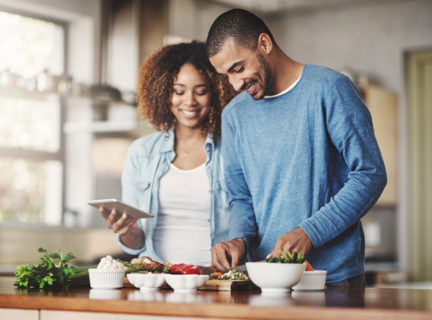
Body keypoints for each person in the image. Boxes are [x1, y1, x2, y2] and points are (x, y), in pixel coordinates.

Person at [205, 9, 387, 286]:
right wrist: (239, 239)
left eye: (238, 68)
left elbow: (370, 174)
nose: (234, 84)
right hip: (264, 279)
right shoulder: (233, 115)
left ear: (264, 44)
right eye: (225, 76)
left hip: (332, 279)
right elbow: (241, 198)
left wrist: (309, 233)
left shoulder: (330, 89)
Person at [100, 41, 234, 267]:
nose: (189, 101)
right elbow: (136, 244)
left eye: (201, 91)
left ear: (216, 93)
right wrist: (128, 230)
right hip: (157, 280)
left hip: (214, 281)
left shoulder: (232, 152)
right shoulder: (142, 153)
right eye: (178, 91)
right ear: (162, 93)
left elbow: (247, 226)